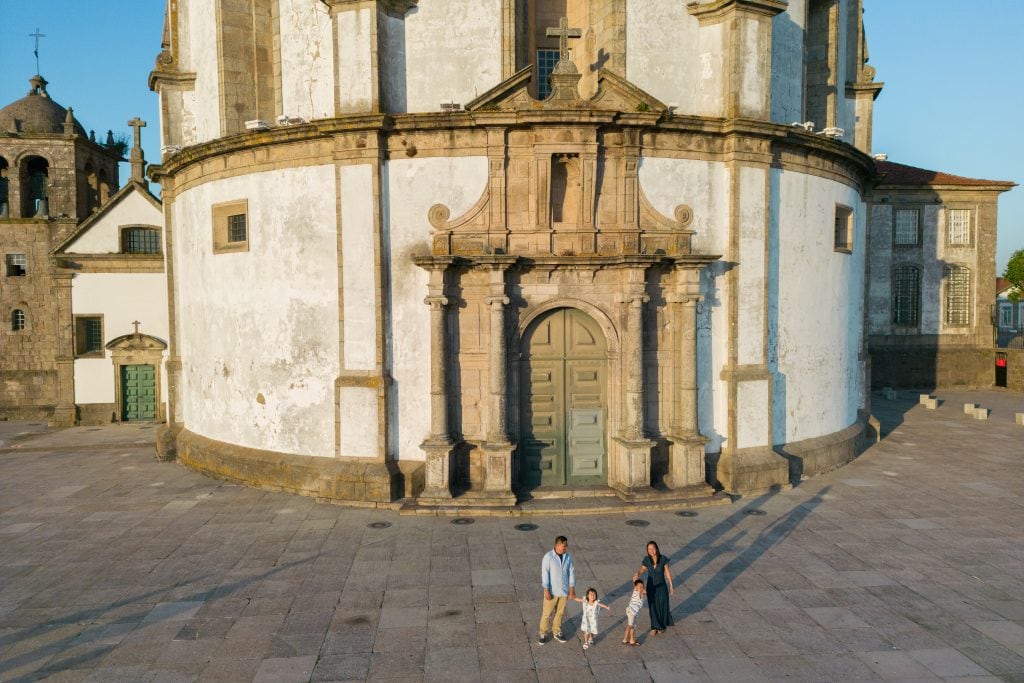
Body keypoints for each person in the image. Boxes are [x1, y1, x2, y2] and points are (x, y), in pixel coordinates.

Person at [538, 535, 576, 644]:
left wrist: (572, 588)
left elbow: (571, 572)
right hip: (551, 591)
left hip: (563, 591)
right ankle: (543, 633)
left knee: (560, 613)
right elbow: (545, 574)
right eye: (565, 546)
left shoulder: (567, 557)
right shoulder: (548, 557)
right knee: (547, 613)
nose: (566, 548)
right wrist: (546, 589)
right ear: (558, 545)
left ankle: (557, 631)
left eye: (566, 546)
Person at [632, 540, 674, 635]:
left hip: (662, 586)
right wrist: (637, 574)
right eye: (649, 549)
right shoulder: (647, 560)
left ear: (656, 549)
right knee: (653, 606)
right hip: (651, 586)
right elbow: (642, 569)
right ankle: (654, 626)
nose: (651, 550)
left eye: (653, 548)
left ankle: (662, 626)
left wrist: (671, 585)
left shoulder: (663, 559)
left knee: (662, 605)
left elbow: (667, 572)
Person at [622, 578, 645, 646]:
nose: (641, 588)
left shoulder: (641, 594)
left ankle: (632, 640)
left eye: (642, 587)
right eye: (639, 587)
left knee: (633, 626)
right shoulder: (636, 592)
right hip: (631, 611)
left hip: (635, 612)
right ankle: (625, 639)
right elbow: (643, 591)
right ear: (636, 587)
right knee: (630, 625)